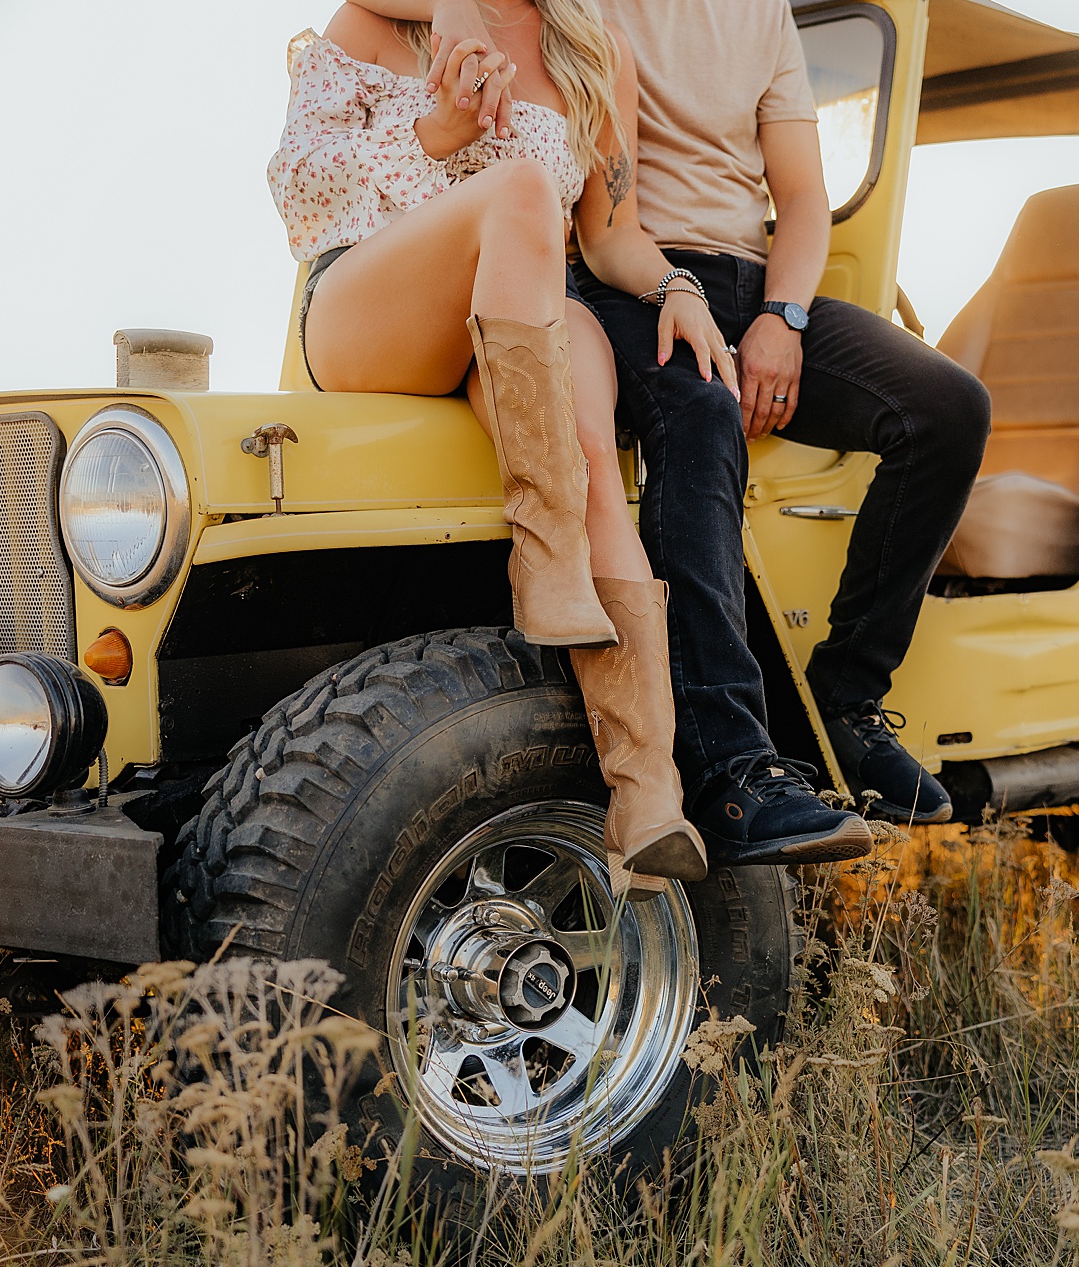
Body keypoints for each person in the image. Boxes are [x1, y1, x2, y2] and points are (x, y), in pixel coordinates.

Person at [352, 0, 993, 865]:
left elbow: (802, 197)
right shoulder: (581, 11)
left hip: (750, 279)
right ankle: (731, 765)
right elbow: (604, 227)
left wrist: (784, 316)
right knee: (703, 407)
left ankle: (846, 706)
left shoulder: (764, 16)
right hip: (622, 278)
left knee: (948, 407)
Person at [272, 0, 744, 894]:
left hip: (519, 308)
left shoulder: (594, 50)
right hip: (376, 307)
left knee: (592, 451)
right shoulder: (375, 23)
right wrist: (439, 132)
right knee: (524, 187)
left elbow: (607, 233)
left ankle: (647, 794)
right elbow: (303, 185)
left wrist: (677, 284)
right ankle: (547, 551)